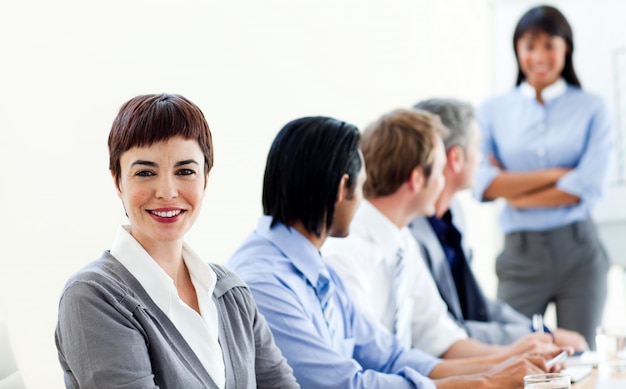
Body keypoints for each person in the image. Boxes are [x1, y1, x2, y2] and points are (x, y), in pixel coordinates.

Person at [227, 115, 565, 389]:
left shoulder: (314, 268)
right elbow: (344, 385)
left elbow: (390, 356)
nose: (363, 200)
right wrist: (484, 383)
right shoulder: (265, 281)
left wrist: (502, 368)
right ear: (343, 187)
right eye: (361, 186)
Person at [54, 94, 299, 388]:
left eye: (185, 171)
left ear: (205, 179)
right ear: (118, 181)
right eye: (145, 172)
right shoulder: (94, 297)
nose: (167, 191)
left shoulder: (231, 293)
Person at [322, 108, 562, 360]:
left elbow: (437, 336)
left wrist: (515, 356)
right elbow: (373, 360)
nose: (442, 181)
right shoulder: (347, 252)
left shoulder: (403, 242)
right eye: (439, 170)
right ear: (417, 179)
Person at [474, 5, 612, 349]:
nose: (539, 56)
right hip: (520, 256)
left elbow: (587, 187)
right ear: (516, 50)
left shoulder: (593, 107)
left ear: (566, 48)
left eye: (549, 45)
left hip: (579, 253)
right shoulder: (492, 111)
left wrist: (512, 188)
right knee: (509, 357)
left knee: (580, 357)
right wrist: (556, 175)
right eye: (528, 45)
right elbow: (483, 184)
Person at [407, 98, 587, 351]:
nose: (484, 158)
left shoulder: (454, 214)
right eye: (478, 147)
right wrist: (540, 339)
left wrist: (542, 332)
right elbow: (447, 330)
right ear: (456, 158)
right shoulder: (410, 232)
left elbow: (478, 305)